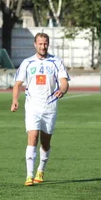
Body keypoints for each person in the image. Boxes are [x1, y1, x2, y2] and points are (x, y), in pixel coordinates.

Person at [11, 32, 70, 186]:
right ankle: (29, 175)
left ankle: (40, 170)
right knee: (33, 137)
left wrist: (62, 90)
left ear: (48, 44)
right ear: (35, 44)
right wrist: (15, 100)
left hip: (50, 107)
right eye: (40, 43)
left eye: (45, 44)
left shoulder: (56, 62)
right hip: (32, 107)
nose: (43, 46)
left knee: (45, 142)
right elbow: (17, 84)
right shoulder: (27, 62)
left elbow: (64, 82)